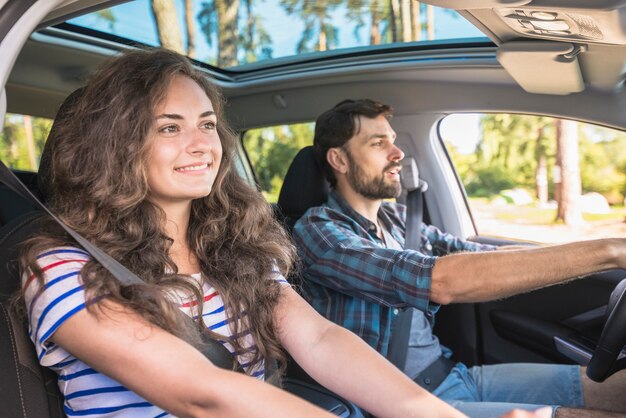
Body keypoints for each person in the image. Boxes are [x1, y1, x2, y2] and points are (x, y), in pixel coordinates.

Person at [16, 48, 550, 418]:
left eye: (206, 123)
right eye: (169, 127)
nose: (202, 143)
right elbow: (205, 397)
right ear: (116, 148)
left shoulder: (233, 251)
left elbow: (320, 339)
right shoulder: (65, 269)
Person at [292, 98, 626, 418]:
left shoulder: (399, 220)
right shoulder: (318, 231)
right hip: (393, 403)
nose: (398, 153)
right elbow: (438, 280)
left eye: (393, 141)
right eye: (378, 143)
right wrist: (610, 251)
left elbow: (487, 257)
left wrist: (581, 254)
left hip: (454, 376)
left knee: (618, 387)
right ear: (339, 160)